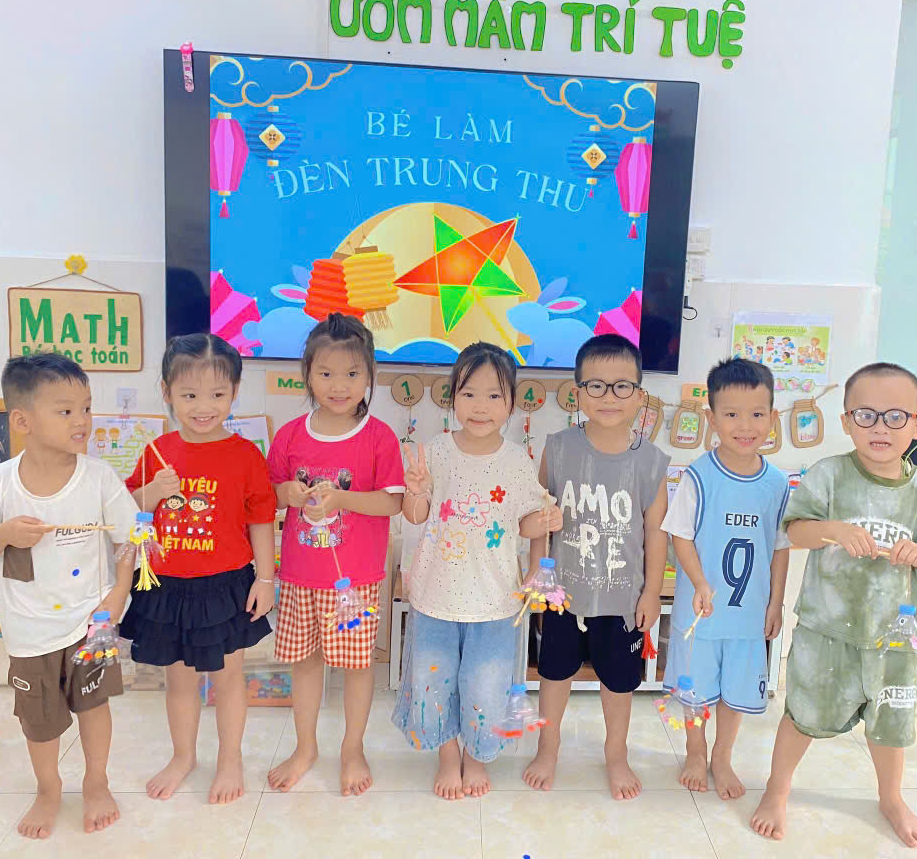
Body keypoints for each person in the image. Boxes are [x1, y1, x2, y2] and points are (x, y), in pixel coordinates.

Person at [750, 362, 917, 848]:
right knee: (803, 714)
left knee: (890, 725)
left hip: (894, 638)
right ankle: (777, 790)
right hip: (826, 630)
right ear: (846, 422)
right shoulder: (829, 474)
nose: (880, 428)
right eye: (866, 415)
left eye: (895, 416)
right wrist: (835, 530)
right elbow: (796, 531)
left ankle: (891, 798)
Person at [0, 354, 139, 839]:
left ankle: (96, 782)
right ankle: (48, 789)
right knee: (38, 719)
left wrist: (117, 596)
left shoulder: (99, 477)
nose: (82, 420)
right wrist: (5, 534)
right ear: (23, 421)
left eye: (86, 407)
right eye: (65, 411)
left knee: (94, 704)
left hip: (92, 621)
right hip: (28, 630)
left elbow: (130, 540)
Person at [393, 342, 561, 800]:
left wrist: (547, 521)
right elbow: (415, 515)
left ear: (511, 403)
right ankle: (448, 756)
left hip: (494, 601)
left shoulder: (517, 460)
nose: (480, 406)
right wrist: (416, 490)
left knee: (485, 687)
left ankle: (477, 757)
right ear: (452, 398)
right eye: (468, 393)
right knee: (433, 682)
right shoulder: (435, 451)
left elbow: (524, 524)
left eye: (493, 395)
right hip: (435, 596)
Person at [121, 334, 277, 805]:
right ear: (167, 392)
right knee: (179, 679)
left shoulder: (246, 454)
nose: (204, 407)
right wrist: (153, 492)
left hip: (225, 586)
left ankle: (230, 759)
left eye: (217, 394)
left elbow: (260, 520)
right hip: (166, 587)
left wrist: (265, 579)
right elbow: (128, 509)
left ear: (234, 393)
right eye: (189, 395)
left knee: (228, 678)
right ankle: (183, 756)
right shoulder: (157, 450)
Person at [522, 334, 669, 800]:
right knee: (554, 674)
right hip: (563, 594)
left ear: (639, 395)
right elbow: (540, 512)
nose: (609, 396)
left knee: (619, 682)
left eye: (622, 386)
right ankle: (548, 748)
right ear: (578, 393)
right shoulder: (558, 447)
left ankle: (616, 755)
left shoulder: (652, 461)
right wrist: (537, 571)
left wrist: (651, 593)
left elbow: (656, 532)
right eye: (597, 386)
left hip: (623, 598)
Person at [265, 314, 404, 795]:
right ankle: (305, 748)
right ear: (307, 374)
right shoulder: (290, 435)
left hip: (356, 581)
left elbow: (392, 503)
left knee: (357, 666)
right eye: (326, 373)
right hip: (299, 575)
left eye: (351, 373)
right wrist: (287, 492)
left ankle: (352, 748)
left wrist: (342, 498)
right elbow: (271, 495)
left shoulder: (379, 437)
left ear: (369, 377)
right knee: (305, 664)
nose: (339, 385)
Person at [663, 358, 789, 800]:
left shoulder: (777, 484)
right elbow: (680, 536)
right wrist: (700, 582)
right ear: (712, 418)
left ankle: (722, 755)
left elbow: (780, 547)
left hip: (747, 617)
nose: (745, 425)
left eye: (757, 414)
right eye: (732, 414)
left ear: (773, 418)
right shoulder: (698, 476)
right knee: (696, 690)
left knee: (735, 691)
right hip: (701, 615)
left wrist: (775, 603)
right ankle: (695, 751)